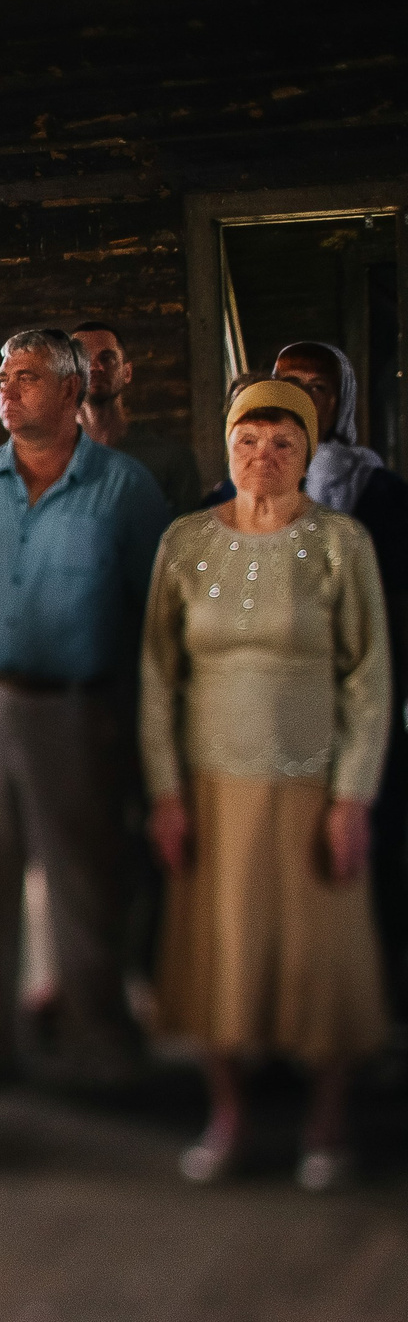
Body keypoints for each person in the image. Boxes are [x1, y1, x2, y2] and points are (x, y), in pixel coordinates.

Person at [0, 332, 172, 1084]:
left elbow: (158, 616)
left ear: (74, 393)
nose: (7, 391)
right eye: (2, 376)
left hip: (77, 711)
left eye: (28, 377)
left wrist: (144, 727)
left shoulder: (126, 489)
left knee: (86, 877)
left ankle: (97, 1036)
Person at [141, 380, 391, 1189]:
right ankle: (231, 1116)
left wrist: (352, 794)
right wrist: (166, 791)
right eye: (249, 440)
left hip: (312, 783)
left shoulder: (340, 542)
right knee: (220, 955)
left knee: (324, 956)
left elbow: (368, 676)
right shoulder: (184, 542)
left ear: (307, 454)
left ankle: (326, 1121)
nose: (264, 456)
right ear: (227, 448)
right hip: (211, 783)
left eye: (284, 442)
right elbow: (157, 676)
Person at [249, 341, 408, 1016]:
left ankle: (373, 1006)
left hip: (354, 709)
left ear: (342, 399)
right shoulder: (245, 487)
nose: (305, 399)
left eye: (319, 386)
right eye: (289, 384)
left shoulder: (379, 493)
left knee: (364, 854)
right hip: (273, 713)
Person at [74, 321, 205, 513]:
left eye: (107, 358)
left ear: (127, 372)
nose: (95, 367)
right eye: (82, 359)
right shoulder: (45, 462)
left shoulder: (171, 459)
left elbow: (188, 539)